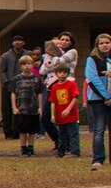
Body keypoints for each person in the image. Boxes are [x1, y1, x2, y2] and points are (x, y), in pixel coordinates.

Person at [85, 33, 111, 169]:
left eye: (107, 42)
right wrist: (106, 96)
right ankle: (98, 159)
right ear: (97, 46)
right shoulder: (92, 59)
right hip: (97, 99)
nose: (105, 45)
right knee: (99, 130)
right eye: (101, 43)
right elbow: (92, 79)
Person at [12, 47, 43, 156]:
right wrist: (14, 107)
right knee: (23, 130)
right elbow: (13, 93)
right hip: (21, 108)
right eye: (25, 64)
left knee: (32, 130)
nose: (27, 66)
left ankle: (31, 147)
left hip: (33, 108)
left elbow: (39, 93)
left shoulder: (36, 79)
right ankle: (23, 147)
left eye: (29, 63)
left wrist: (40, 107)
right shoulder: (16, 79)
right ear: (20, 67)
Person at [47, 62, 82, 158]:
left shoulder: (72, 84)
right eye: (60, 72)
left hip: (71, 116)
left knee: (73, 134)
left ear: (68, 74)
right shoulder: (54, 87)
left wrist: (68, 109)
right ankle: (61, 152)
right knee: (61, 135)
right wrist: (53, 115)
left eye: (64, 72)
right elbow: (53, 102)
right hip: (60, 117)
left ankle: (75, 152)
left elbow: (75, 98)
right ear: (56, 73)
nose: (62, 74)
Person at [0, 35, 25, 139]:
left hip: (22, 86)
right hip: (8, 86)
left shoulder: (27, 55)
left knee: (20, 109)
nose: (18, 42)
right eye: (16, 41)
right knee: (7, 109)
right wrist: (6, 82)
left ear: (23, 43)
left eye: (20, 41)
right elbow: (1, 70)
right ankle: (8, 132)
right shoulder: (6, 56)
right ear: (13, 43)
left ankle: (18, 131)